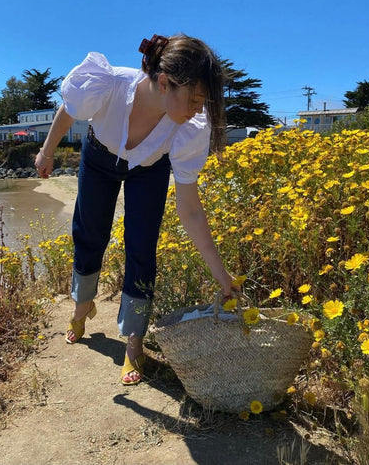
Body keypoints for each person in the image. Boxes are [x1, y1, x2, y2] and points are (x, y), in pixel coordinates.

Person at [35, 34, 239, 386]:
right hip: (99, 157)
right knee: (89, 233)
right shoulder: (109, 84)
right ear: (164, 82)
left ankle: (134, 344)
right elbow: (69, 109)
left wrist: (221, 274)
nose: (197, 110)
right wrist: (47, 151)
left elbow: (190, 210)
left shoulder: (188, 126)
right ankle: (82, 307)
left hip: (149, 168)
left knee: (141, 247)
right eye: (194, 99)